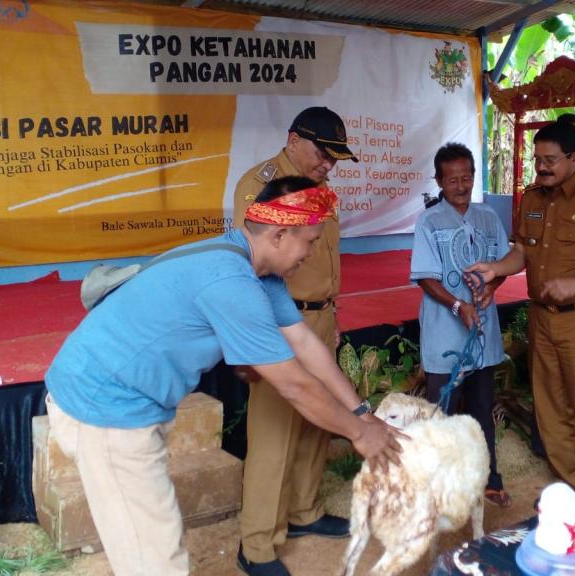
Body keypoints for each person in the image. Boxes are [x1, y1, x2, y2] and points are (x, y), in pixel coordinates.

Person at [44, 177, 402, 576]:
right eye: (311, 241)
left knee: (151, 542)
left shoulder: (256, 271)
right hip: (105, 409)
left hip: (124, 401)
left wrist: (362, 412)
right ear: (281, 235)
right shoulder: (232, 280)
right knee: (156, 562)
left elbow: (305, 345)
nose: (312, 252)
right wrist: (358, 432)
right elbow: (293, 383)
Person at [467, 122, 575, 493]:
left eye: (551, 160)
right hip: (543, 319)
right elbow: (522, 252)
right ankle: (572, 488)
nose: (541, 167)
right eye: (537, 159)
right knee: (551, 408)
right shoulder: (532, 199)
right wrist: (496, 269)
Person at [231, 107, 357, 574]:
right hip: (278, 324)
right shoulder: (261, 184)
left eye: (335, 158)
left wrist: (332, 313)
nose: (328, 165)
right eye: (323, 154)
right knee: (275, 434)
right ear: (293, 140)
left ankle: (304, 512)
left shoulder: (323, 192)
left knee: (314, 426)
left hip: (320, 320)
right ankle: (258, 544)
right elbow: (255, 264)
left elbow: (323, 261)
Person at [410, 142, 513, 508]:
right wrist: (458, 305)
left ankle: (489, 477)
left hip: (483, 335)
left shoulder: (487, 217)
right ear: (439, 181)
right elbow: (424, 277)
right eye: (451, 179)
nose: (460, 185)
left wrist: (492, 289)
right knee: (443, 412)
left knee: (483, 409)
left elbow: (505, 262)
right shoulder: (429, 221)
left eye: (466, 177)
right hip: (445, 333)